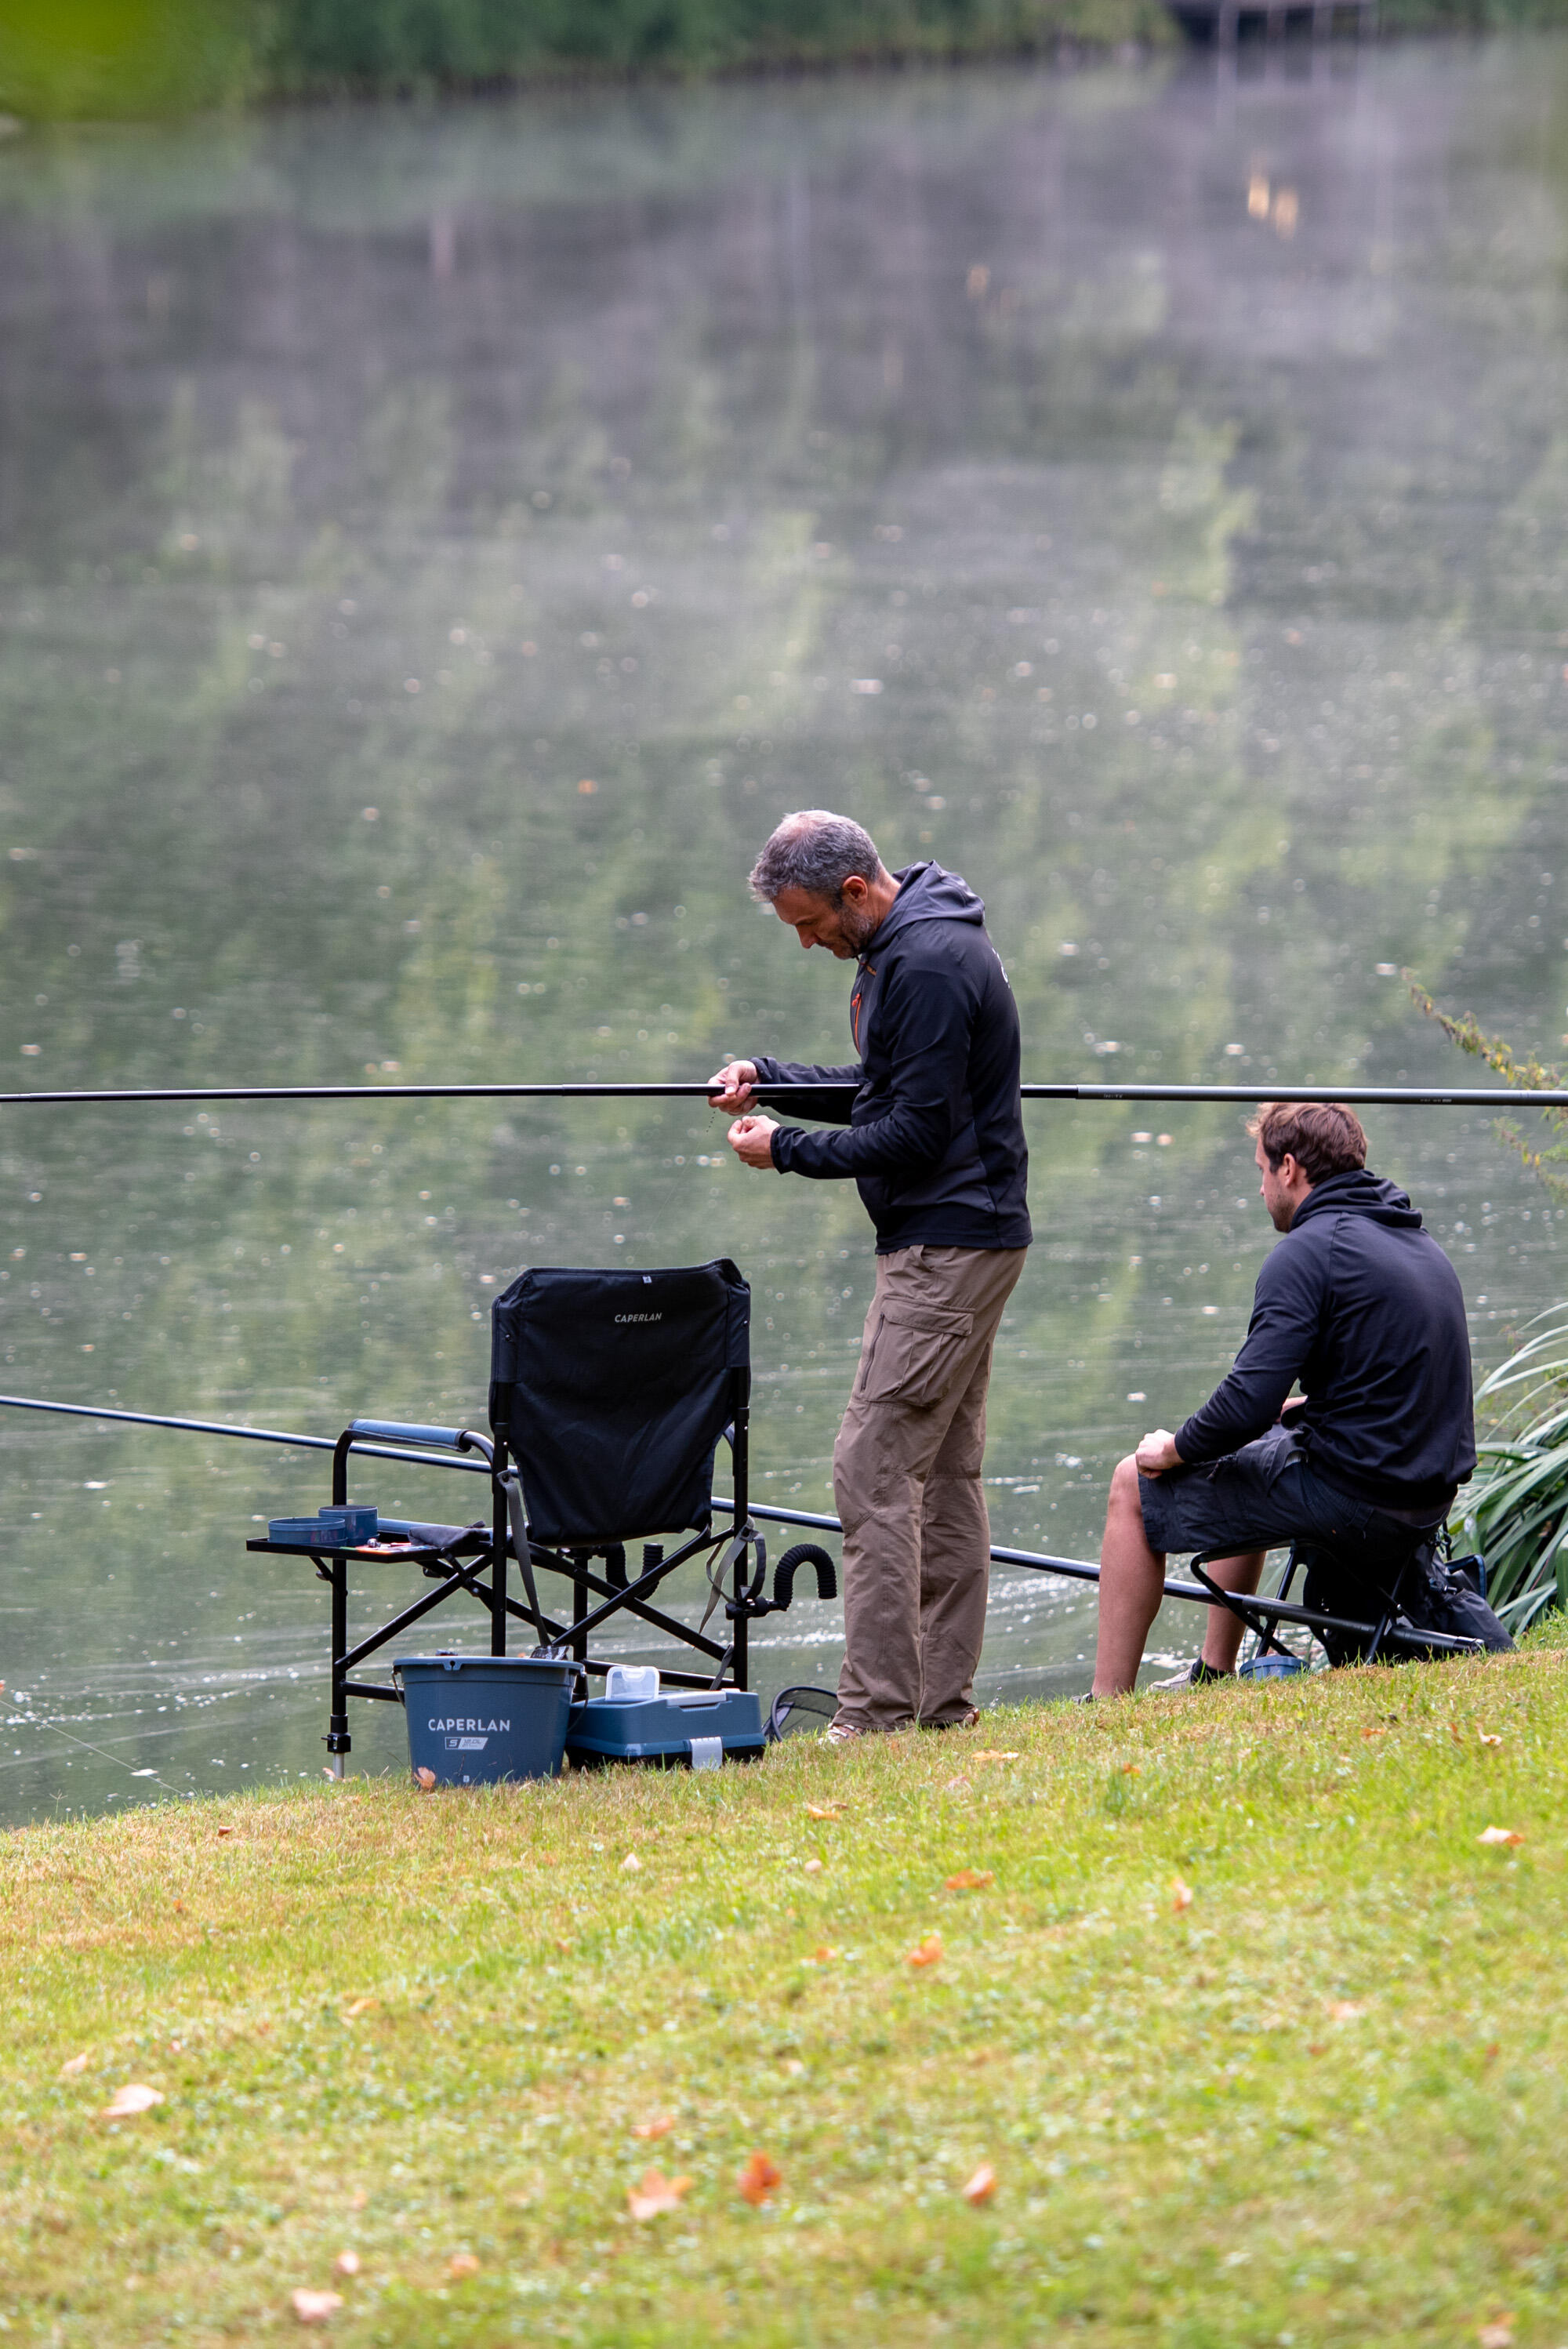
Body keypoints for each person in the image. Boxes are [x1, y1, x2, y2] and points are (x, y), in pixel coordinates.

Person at [708, 810, 1031, 1740]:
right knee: (942, 1472)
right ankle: (938, 1706)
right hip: (973, 1235)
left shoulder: (924, 962)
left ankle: (878, 1713)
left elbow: (915, 1132)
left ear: (856, 890)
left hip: (944, 1245)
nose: (807, 942)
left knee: (873, 1466)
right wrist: (766, 1078)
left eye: (809, 922)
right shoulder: (910, 944)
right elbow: (886, 1084)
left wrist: (787, 1149)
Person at [1091, 1099, 1509, 1697]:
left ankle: (1108, 1703)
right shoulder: (1415, 1243)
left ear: (1290, 1169)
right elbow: (1388, 1386)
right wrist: (1301, 1413)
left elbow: (1246, 1403)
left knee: (1133, 1483)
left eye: (1262, 1171)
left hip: (1359, 1503)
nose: (1261, 1189)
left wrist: (1175, 1449)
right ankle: (1212, 1669)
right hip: (1424, 1499)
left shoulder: (1305, 1253)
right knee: (1264, 1439)